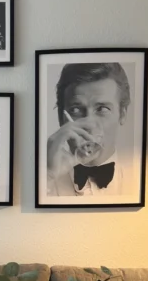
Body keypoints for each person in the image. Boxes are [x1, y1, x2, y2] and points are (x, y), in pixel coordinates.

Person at [46, 62, 131, 197]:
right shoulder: (42, 182)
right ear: (61, 117)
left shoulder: (143, 184)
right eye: (76, 110)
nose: (89, 125)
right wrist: (48, 176)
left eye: (102, 109)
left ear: (122, 114)